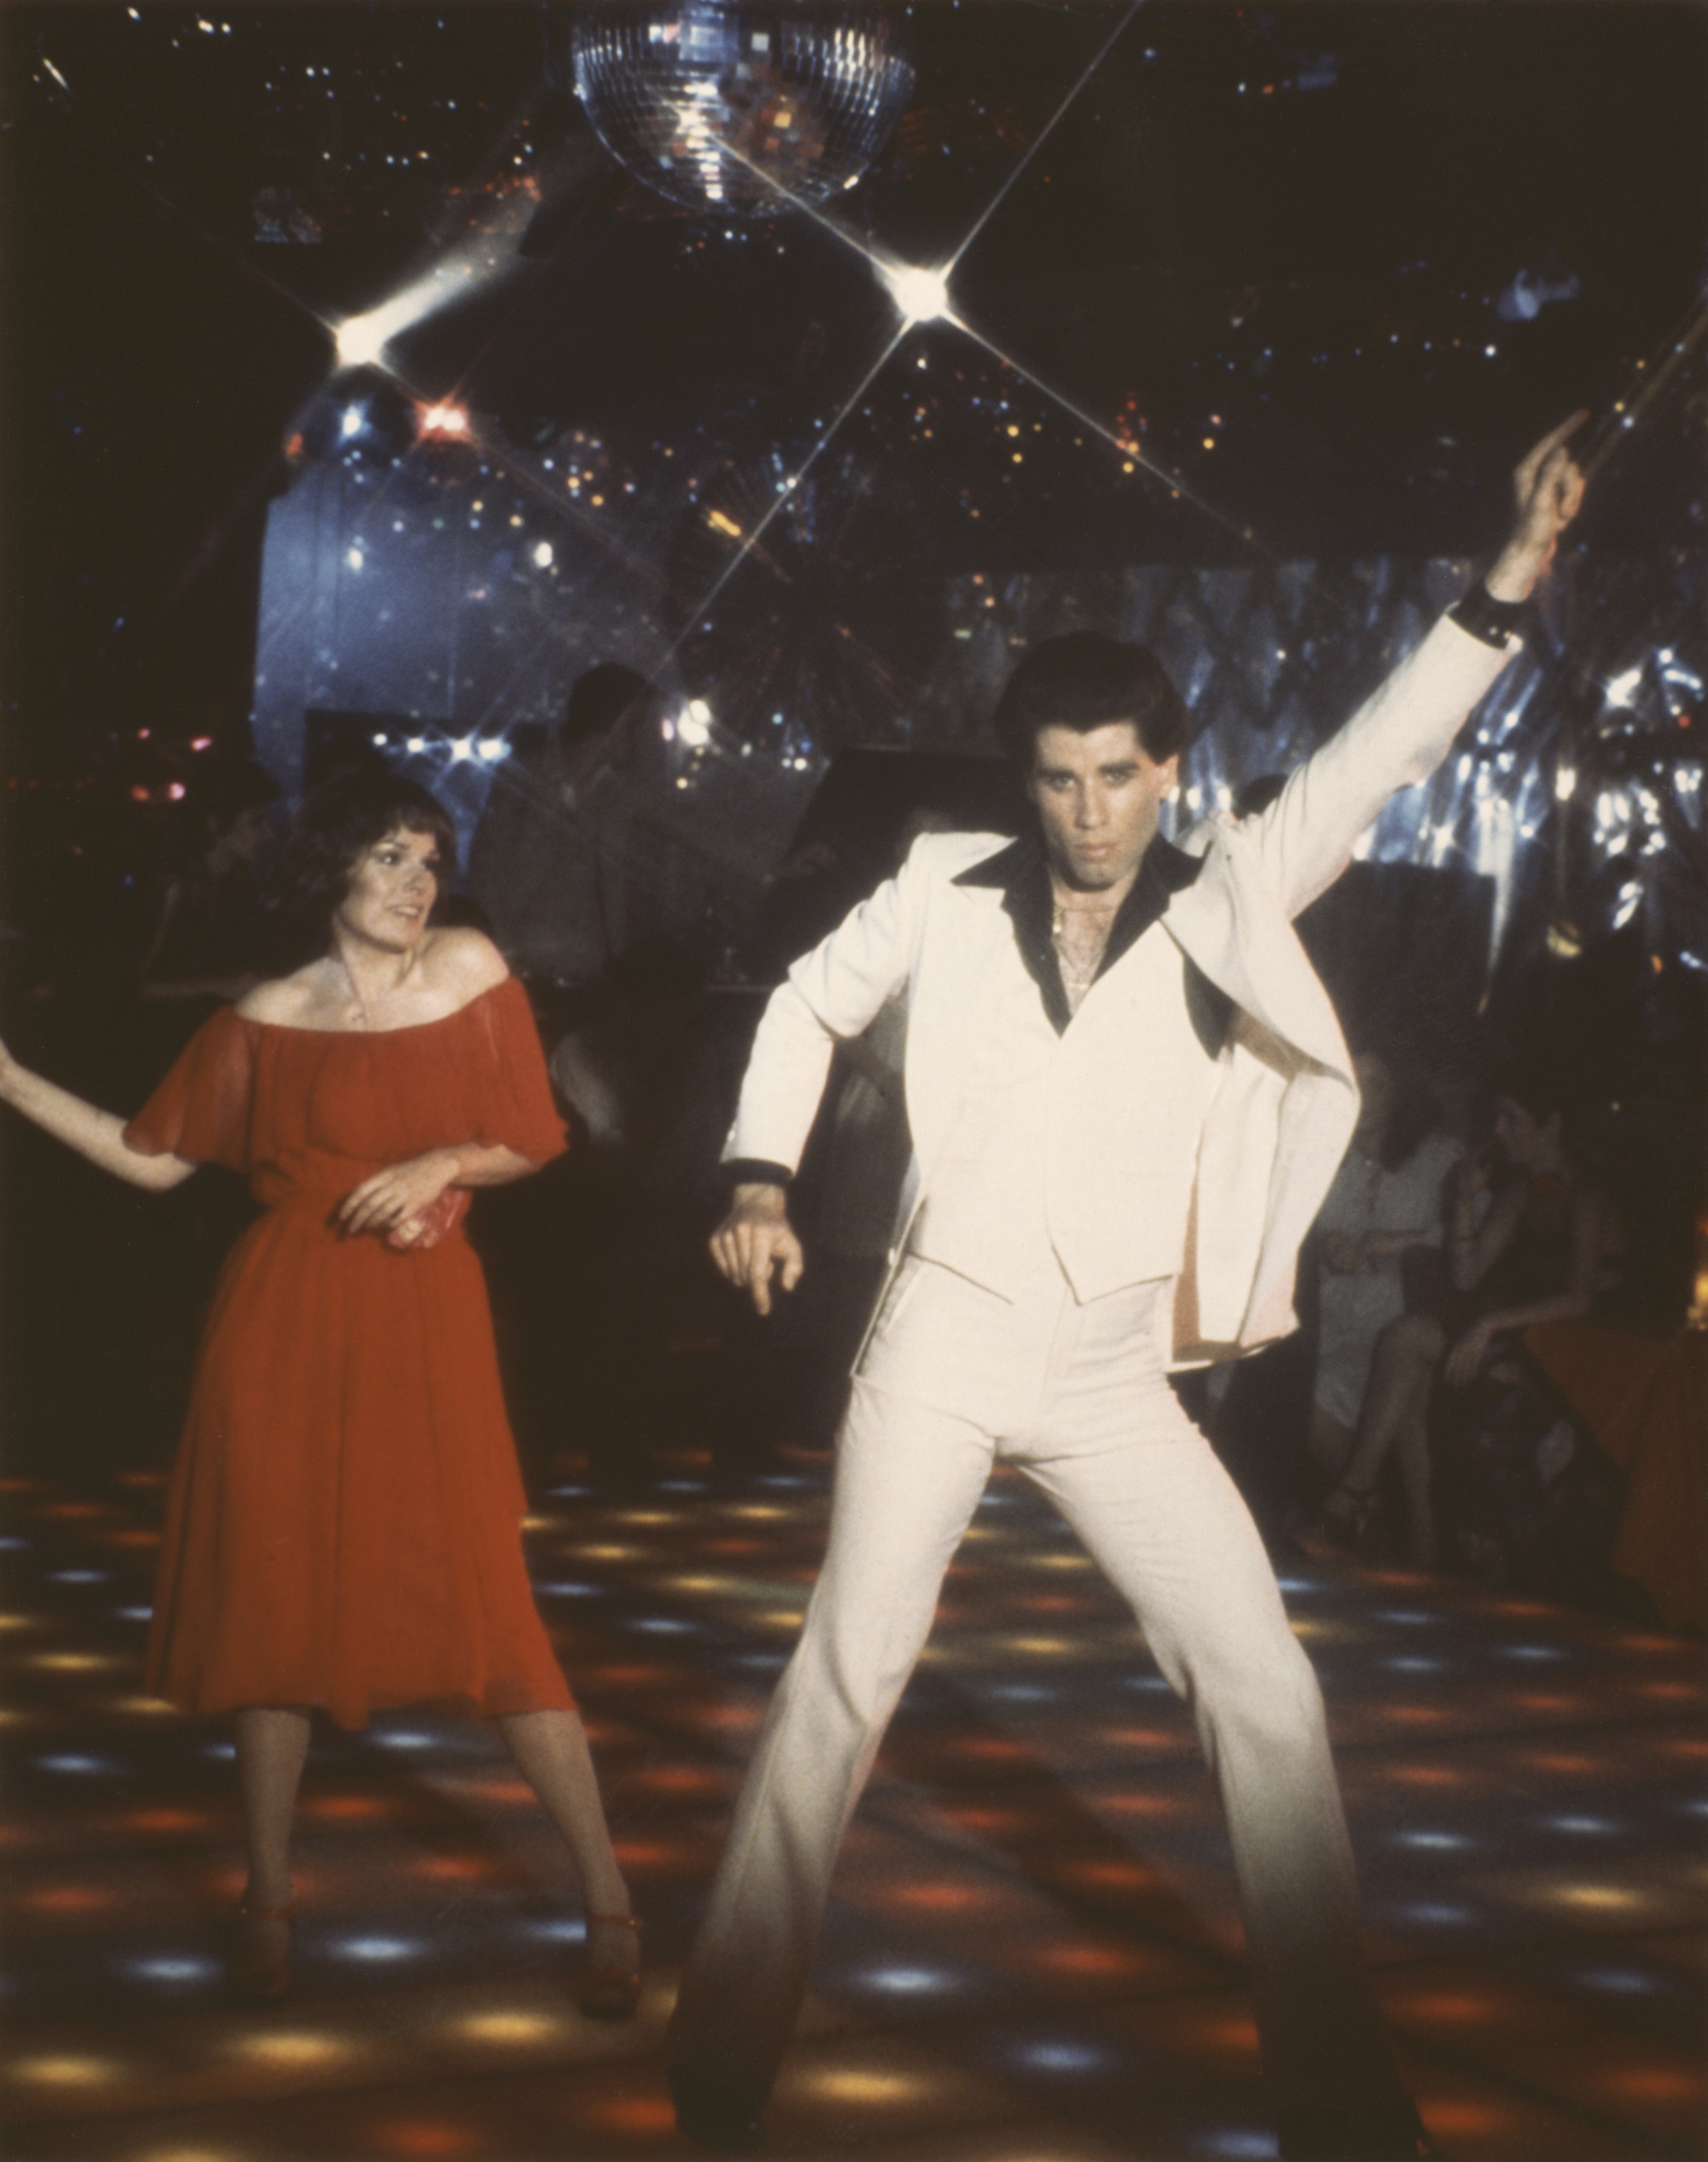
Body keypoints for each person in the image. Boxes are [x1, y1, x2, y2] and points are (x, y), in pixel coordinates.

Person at [666, 416, 1587, 2162]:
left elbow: (1383, 753)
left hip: (1108, 1373)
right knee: (845, 1678)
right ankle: (725, 2044)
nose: (1091, 812)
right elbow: (800, 1004)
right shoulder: (940, 886)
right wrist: (757, 1170)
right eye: (1061, 778)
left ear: (1171, 767)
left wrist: (1507, 580)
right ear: (1026, 777)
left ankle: (1333, 2082)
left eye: (1120, 775)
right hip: (940, 1336)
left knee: (1269, 1690)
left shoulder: (1230, 892)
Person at [0, 770, 640, 2016]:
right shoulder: (268, 1010)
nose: (418, 884)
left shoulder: (466, 967)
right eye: (391, 858)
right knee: (274, 1605)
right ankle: (269, 1893)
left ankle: (608, 1891)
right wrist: (10, 1080)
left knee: (489, 1608)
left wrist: (441, 1158)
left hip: (422, 1323)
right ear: (334, 871)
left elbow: (534, 1132)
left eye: (430, 859)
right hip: (280, 1320)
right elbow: (150, 1163)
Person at [1302, 1052, 1463, 1567]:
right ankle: (1369, 1506)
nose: (1365, 1094)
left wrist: (1397, 1241)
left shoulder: (1438, 1158)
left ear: (1400, 1095)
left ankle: (1357, 1506)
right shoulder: (1329, 1155)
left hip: (1391, 1321)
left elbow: (1471, 1236)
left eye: (1377, 1083)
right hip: (1331, 1323)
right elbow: (1297, 1230)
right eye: (1357, 1080)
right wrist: (1326, 1244)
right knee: (1293, 1384)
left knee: (1337, 1383)